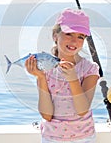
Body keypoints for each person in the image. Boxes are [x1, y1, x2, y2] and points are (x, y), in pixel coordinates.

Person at [25, 8, 100, 142]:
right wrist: (41, 78)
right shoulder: (45, 69)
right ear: (55, 35)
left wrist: (73, 79)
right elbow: (47, 115)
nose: (74, 41)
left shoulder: (90, 69)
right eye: (68, 34)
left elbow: (82, 110)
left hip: (84, 138)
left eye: (80, 36)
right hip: (51, 138)